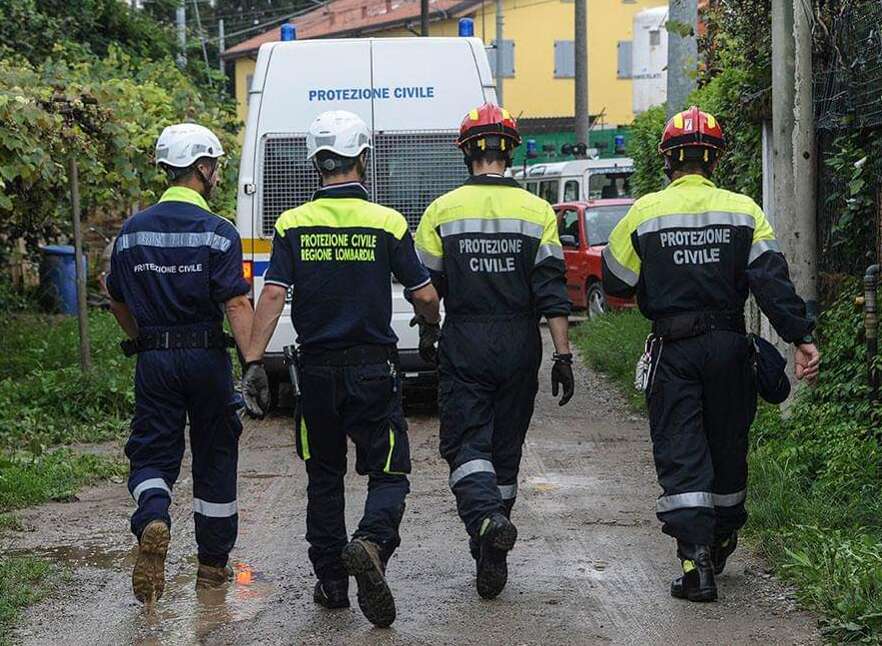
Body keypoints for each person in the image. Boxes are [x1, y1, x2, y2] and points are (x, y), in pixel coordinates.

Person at [602, 106, 821, 602]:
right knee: (726, 444)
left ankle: (694, 562)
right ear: (715, 159)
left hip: (674, 349)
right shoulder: (744, 210)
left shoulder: (645, 212)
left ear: (668, 161)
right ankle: (721, 538)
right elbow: (771, 283)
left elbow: (616, 279)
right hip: (729, 347)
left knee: (681, 447)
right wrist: (801, 337)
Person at [241, 110, 440, 628]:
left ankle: (331, 583)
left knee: (323, 476)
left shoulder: (291, 223)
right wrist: (430, 326)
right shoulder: (388, 222)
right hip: (375, 370)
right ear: (363, 159)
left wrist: (254, 362)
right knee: (390, 468)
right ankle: (371, 543)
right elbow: (423, 293)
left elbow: (273, 294)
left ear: (315, 163)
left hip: (317, 375)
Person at [412, 103, 574, 600]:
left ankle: (483, 520)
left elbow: (427, 290)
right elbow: (552, 293)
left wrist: (428, 332)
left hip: (466, 338)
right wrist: (563, 355)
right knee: (505, 450)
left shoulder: (442, 210)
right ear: (509, 152)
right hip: (520, 342)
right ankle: (492, 550)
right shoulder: (537, 212)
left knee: (465, 444)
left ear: (466, 153)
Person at [105, 123, 254, 604]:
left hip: (155, 360)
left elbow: (117, 301)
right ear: (204, 167)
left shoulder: (131, 233)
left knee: (152, 449)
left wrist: (144, 340)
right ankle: (211, 568)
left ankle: (152, 514)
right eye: (213, 168)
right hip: (207, 357)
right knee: (215, 455)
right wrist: (252, 361)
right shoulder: (219, 232)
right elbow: (234, 305)